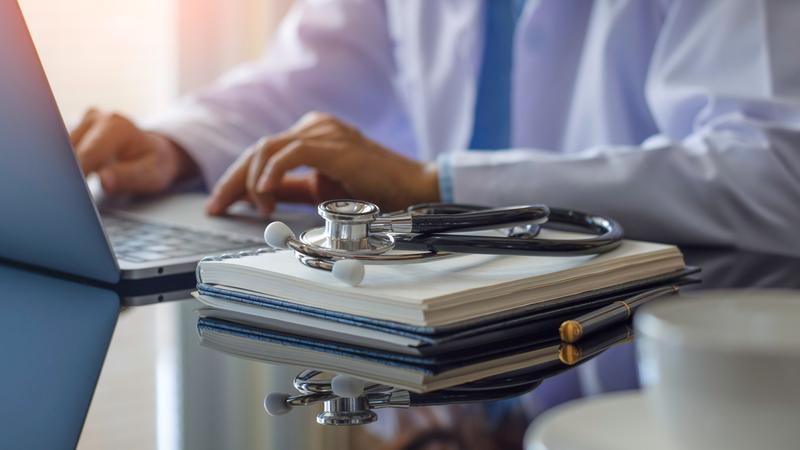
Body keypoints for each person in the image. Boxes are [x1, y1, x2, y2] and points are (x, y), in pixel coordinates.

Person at [70, 0, 800, 259]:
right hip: (452, 337)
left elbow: (772, 171)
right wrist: (174, 144)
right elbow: (308, 77)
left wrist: (438, 187)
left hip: (663, 364)